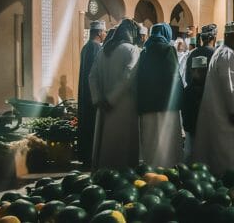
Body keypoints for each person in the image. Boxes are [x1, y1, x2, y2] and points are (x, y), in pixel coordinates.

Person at [193, 21, 234, 175]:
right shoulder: (226, 55)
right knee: (229, 152)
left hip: (222, 112)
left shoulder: (223, 52)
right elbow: (229, 86)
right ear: (227, 36)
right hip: (227, 115)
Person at [89, 19, 141, 170]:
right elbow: (128, 76)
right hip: (123, 106)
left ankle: (103, 177)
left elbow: (92, 76)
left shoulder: (103, 50)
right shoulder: (132, 50)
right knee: (121, 149)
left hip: (103, 108)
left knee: (105, 146)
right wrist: (111, 99)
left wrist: (98, 99)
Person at [136, 23, 183, 167]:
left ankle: (151, 174)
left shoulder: (144, 51)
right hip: (166, 107)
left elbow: (139, 79)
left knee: (151, 142)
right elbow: (174, 77)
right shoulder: (168, 49)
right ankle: (167, 175)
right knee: (166, 145)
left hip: (147, 107)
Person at [182, 24, 218, 160]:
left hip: (192, 101)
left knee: (192, 143)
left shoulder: (192, 53)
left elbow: (187, 77)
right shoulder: (215, 53)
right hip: (208, 101)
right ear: (214, 37)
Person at [77, 20, 106, 168]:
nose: (105, 35)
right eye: (104, 32)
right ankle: (91, 157)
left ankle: (85, 156)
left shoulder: (85, 47)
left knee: (85, 123)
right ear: (100, 33)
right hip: (92, 94)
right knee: (92, 125)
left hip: (84, 93)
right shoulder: (96, 48)